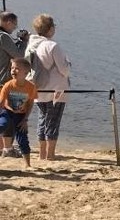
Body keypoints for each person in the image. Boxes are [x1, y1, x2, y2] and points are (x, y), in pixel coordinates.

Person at [27, 14, 71, 161]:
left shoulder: (32, 44)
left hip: (38, 88)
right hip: (55, 90)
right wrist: (68, 64)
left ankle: (42, 154)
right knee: (53, 121)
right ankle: (50, 155)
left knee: (42, 120)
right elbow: (64, 70)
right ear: (50, 29)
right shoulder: (52, 46)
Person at [0, 11, 30, 152]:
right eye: (14, 24)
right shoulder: (4, 37)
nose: (15, 27)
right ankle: (7, 148)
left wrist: (17, 42)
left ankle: (4, 148)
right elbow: (19, 58)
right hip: (5, 83)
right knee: (10, 117)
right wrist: (23, 42)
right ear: (8, 22)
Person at [0, 58, 37, 167]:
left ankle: (28, 165)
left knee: (23, 139)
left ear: (26, 73)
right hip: (6, 112)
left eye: (17, 69)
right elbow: (1, 103)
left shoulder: (30, 87)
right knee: (2, 124)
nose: (13, 71)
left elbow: (30, 103)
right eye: (12, 68)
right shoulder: (8, 85)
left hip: (21, 115)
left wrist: (25, 119)